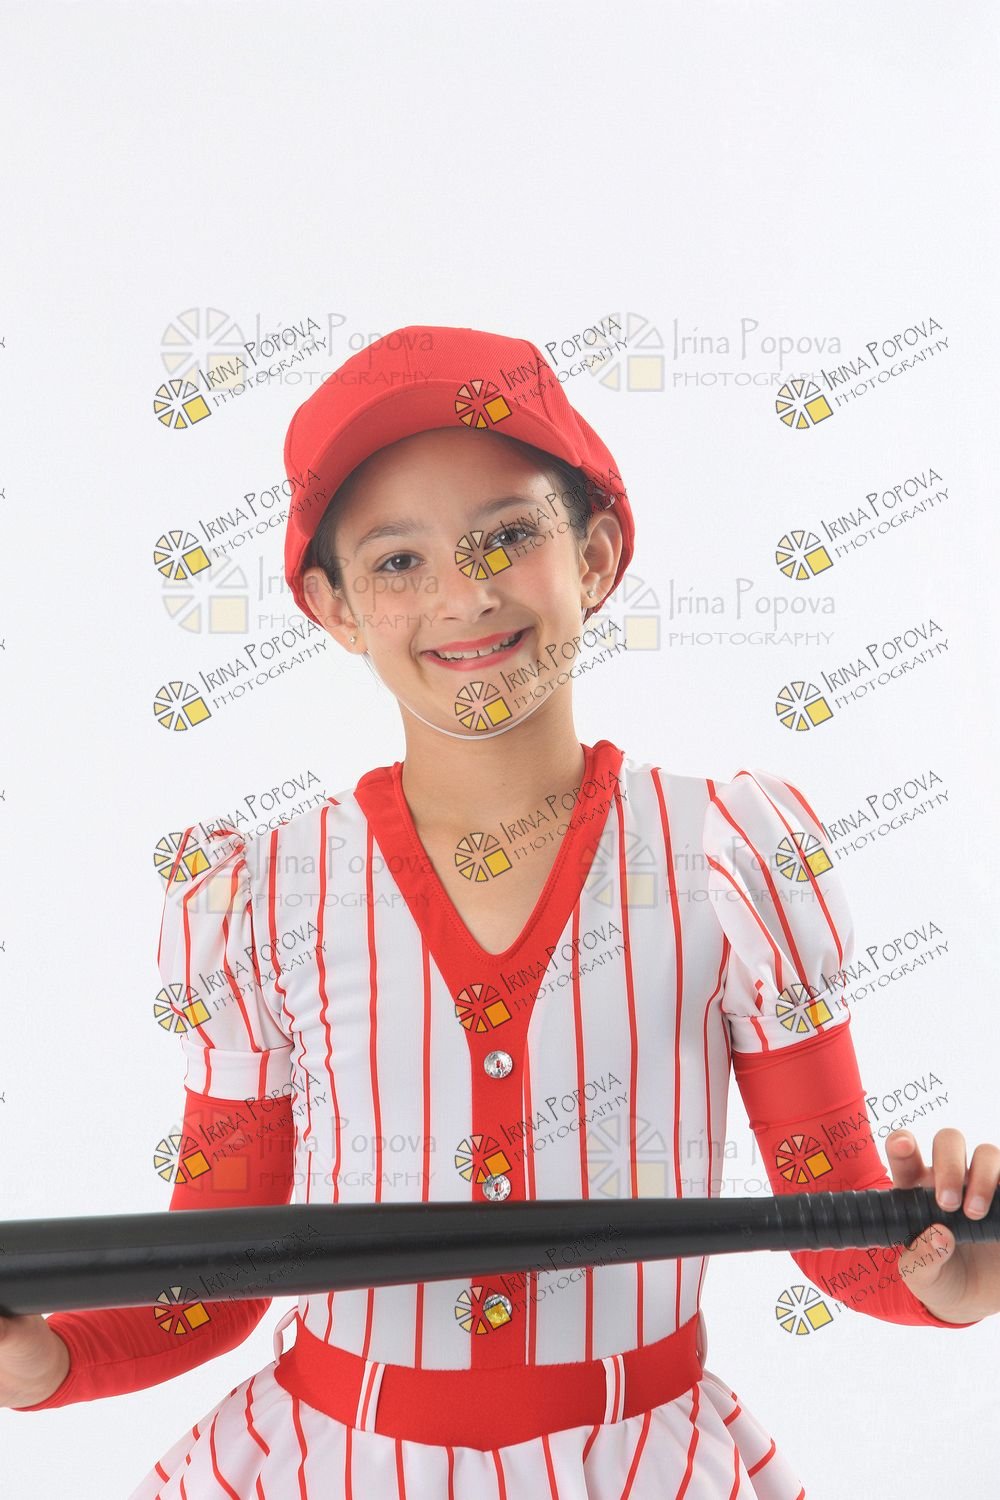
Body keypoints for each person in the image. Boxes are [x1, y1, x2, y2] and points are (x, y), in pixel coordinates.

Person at [4, 325, 998, 1499]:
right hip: (328, 1465)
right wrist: (45, 1358)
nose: (464, 595)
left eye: (510, 536)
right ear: (331, 604)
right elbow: (215, 1272)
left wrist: (944, 1276)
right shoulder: (262, 895)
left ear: (597, 555)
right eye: (397, 561)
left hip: (640, 1464)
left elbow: (840, 1229)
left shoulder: (726, 857)